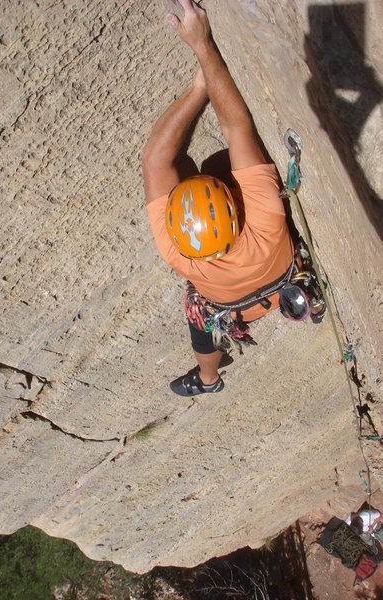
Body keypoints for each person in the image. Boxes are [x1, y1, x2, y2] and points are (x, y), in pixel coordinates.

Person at [142, 0, 294, 396]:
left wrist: (198, 90)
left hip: (233, 309)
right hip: (281, 286)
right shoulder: (265, 221)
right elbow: (235, 126)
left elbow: (155, 158)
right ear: (235, 204)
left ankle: (209, 379)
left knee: (199, 313)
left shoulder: (177, 253)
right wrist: (203, 48)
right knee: (199, 306)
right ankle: (207, 377)